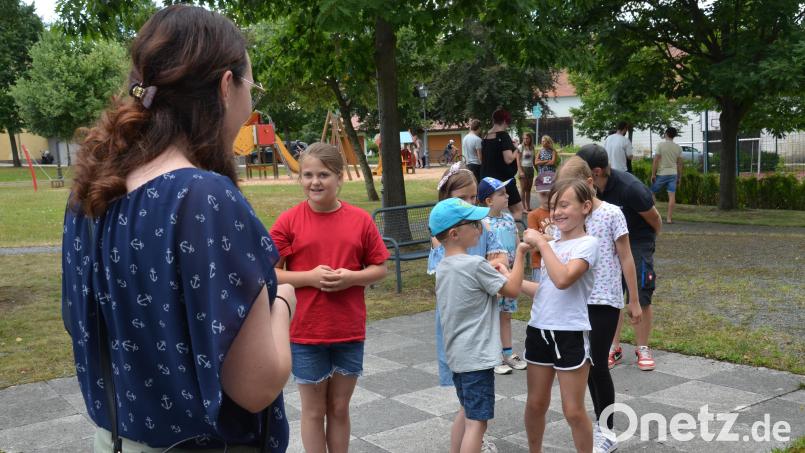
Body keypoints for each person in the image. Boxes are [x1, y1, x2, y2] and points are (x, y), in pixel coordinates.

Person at [62, 5, 294, 451]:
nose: (251, 104)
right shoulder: (202, 198)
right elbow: (256, 386)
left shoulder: (88, 195)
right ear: (227, 86)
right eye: (252, 87)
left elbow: (80, 323)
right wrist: (284, 301)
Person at [270, 143, 389, 453]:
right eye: (307, 174)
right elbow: (269, 274)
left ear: (340, 177)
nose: (315, 182)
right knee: (313, 411)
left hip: (348, 330)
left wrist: (352, 277)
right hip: (305, 332)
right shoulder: (289, 221)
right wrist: (308, 277)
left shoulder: (360, 220)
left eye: (323, 174)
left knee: (338, 408)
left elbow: (380, 268)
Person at [556, 157, 644, 453]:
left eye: (571, 193)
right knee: (582, 365)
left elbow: (626, 256)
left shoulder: (611, 214)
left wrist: (633, 299)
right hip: (575, 300)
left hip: (604, 299)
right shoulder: (567, 216)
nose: (565, 201)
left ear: (590, 183)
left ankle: (606, 430)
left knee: (597, 362)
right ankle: (590, 424)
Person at [430, 197, 528, 453]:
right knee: (477, 424)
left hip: (458, 358)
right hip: (477, 358)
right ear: (454, 233)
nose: (480, 227)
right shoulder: (475, 265)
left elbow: (476, 295)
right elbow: (513, 289)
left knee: (466, 412)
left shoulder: (444, 267)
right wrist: (518, 255)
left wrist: (490, 270)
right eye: (474, 223)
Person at [428, 163, 506, 453]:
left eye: (474, 197)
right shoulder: (445, 238)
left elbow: (499, 253)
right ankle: (473, 444)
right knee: (475, 416)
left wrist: (496, 264)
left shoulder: (478, 226)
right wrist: (491, 270)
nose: (471, 204)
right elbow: (499, 280)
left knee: (468, 407)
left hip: (472, 329)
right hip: (468, 332)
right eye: (464, 198)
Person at [521, 178, 599, 453]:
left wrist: (542, 243)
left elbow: (564, 279)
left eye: (565, 205)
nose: (557, 212)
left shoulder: (588, 244)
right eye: (554, 207)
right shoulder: (552, 245)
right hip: (538, 329)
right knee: (535, 404)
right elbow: (545, 290)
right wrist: (508, 277)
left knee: (573, 411)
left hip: (570, 333)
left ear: (586, 207)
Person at [576, 144, 662, 372]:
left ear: (595, 172)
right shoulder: (588, 189)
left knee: (641, 293)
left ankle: (642, 347)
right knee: (612, 291)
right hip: (609, 240)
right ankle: (613, 346)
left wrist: (645, 246)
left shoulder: (630, 188)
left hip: (637, 240)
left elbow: (655, 219)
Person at [477, 177, 528, 375]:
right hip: (491, 278)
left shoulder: (508, 218)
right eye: (501, 194)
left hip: (509, 276)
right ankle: (493, 355)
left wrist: (517, 269)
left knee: (506, 315)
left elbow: (516, 243)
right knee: (491, 316)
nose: (507, 196)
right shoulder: (480, 222)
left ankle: (507, 352)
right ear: (489, 200)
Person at [480, 108, 523, 222]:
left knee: (491, 212)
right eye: (507, 123)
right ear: (504, 121)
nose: (507, 126)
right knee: (518, 210)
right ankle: (511, 235)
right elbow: (508, 159)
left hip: (488, 180)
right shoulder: (503, 135)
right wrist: (517, 149)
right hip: (504, 180)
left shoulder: (485, 137)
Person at [526, 171, 555, 279]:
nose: (547, 198)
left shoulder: (562, 213)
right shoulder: (533, 215)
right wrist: (557, 240)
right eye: (543, 194)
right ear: (537, 192)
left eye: (551, 194)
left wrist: (546, 239)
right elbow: (534, 245)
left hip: (560, 261)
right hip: (540, 264)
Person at [651, 127, 683, 224]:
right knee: (672, 195)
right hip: (673, 174)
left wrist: (653, 174)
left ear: (666, 134)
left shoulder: (660, 145)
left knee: (651, 193)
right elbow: (680, 164)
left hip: (662, 173)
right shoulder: (678, 147)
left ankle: (653, 216)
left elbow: (656, 161)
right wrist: (679, 177)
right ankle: (669, 219)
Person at [517, 133, 536, 212]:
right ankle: (523, 207)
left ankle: (528, 206)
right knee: (523, 189)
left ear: (530, 139)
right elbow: (518, 160)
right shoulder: (520, 147)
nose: (525, 140)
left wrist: (537, 170)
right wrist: (520, 170)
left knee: (528, 189)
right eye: (524, 138)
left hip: (530, 169)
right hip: (523, 168)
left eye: (527, 138)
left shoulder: (532, 147)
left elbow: (533, 160)